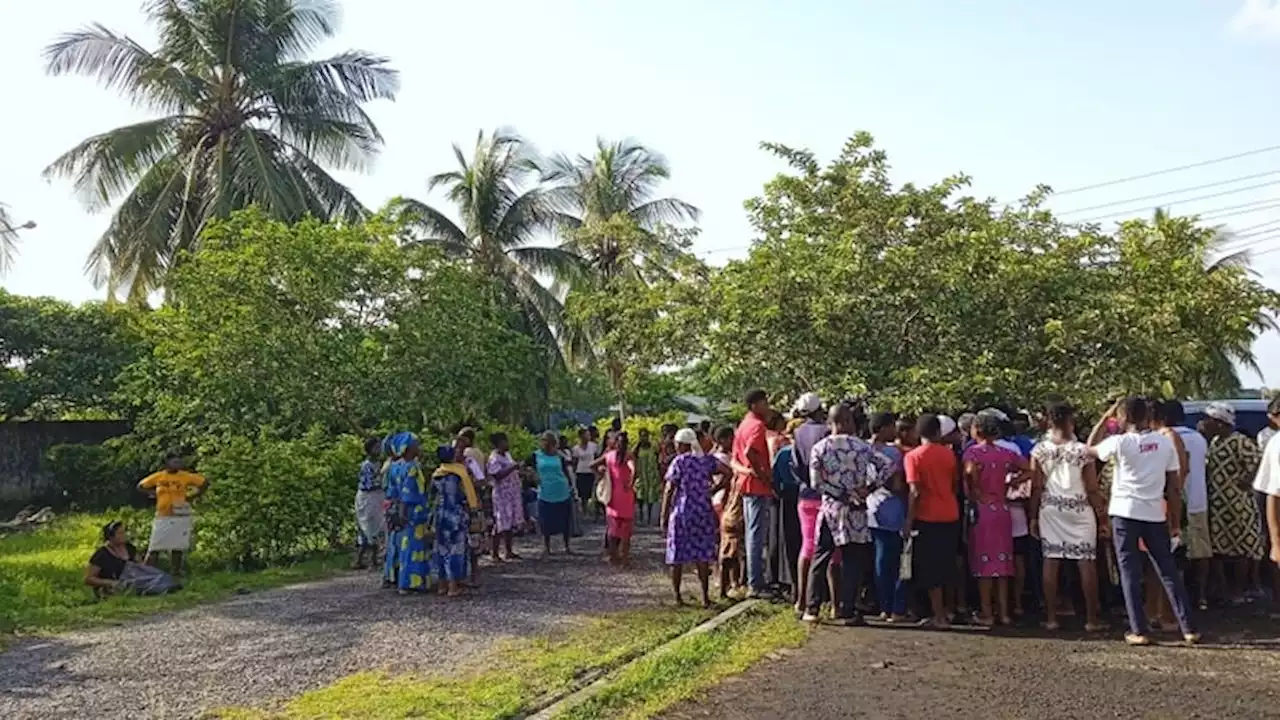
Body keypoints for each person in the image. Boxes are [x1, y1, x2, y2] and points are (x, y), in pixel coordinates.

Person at [1088, 397, 1198, 645]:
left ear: (1124, 417)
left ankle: (1139, 629)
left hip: (1125, 512)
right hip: (1155, 514)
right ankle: (1189, 628)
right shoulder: (1164, 443)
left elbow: (1090, 447)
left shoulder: (1118, 442)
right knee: (1167, 570)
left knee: (1129, 572)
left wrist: (1106, 418)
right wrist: (1175, 522)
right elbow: (1173, 487)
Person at [804, 402, 890, 625]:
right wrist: (869, 488)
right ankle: (848, 610)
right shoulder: (862, 447)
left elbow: (816, 482)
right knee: (853, 560)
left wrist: (839, 493)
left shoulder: (820, 448)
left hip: (831, 509)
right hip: (856, 511)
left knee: (821, 557)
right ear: (846, 422)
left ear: (830, 422)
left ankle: (811, 608)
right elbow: (887, 466)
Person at [1029, 403, 1105, 631]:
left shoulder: (1039, 450)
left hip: (1051, 508)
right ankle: (1091, 620)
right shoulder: (1082, 451)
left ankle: (1052, 618)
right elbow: (1092, 488)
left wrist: (1033, 517)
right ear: (1070, 422)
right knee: (1086, 562)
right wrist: (1101, 518)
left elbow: (1036, 487)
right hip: (1080, 509)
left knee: (1051, 560)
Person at [964, 412, 1026, 626]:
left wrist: (975, 489)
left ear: (977, 430)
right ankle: (1005, 612)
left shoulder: (972, 452)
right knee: (1003, 563)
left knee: (984, 565)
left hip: (983, 510)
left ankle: (986, 612)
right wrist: (1010, 483)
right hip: (1002, 508)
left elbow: (969, 472)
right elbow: (1029, 470)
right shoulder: (1005, 453)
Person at [662, 428, 735, 607]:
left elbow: (669, 489)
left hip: (682, 512)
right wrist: (714, 490)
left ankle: (678, 596)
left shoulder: (678, 462)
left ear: (682, 444)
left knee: (677, 555)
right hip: (703, 511)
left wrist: (664, 514)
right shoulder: (707, 461)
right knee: (702, 554)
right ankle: (705, 596)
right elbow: (729, 473)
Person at [1201, 402, 1265, 604]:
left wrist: (1246, 481)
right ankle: (1224, 589)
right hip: (1219, 505)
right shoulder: (1215, 442)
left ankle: (1239, 590)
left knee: (1241, 549)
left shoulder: (1240, 441)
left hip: (1238, 505)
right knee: (1219, 549)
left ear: (1220, 423)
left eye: (1210, 420)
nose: (1205, 424)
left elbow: (1258, 462)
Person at [904, 414, 961, 629]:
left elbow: (914, 491)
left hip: (927, 516)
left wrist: (909, 520)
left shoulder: (913, 457)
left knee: (930, 568)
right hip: (950, 512)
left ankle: (939, 616)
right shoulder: (949, 455)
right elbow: (954, 484)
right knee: (947, 564)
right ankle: (949, 610)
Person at [1161, 400, 1212, 610]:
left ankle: (1174, 598)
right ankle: (1201, 596)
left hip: (1175, 503)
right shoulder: (1198, 438)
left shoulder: (1166, 438)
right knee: (1200, 551)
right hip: (1198, 501)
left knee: (1174, 551)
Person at [790, 392, 831, 613]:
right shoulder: (826, 432)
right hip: (826, 495)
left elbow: (795, 465)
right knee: (832, 550)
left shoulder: (797, 433)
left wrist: (806, 482)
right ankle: (834, 603)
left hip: (805, 495)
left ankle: (801, 599)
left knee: (807, 547)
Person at [734, 389, 776, 598]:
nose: (767, 406)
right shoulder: (757, 426)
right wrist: (762, 475)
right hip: (757, 487)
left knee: (753, 534)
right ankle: (756, 583)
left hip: (746, 485)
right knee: (756, 535)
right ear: (754, 405)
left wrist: (747, 471)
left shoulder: (743, 425)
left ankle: (755, 580)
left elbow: (735, 459)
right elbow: (750, 452)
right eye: (764, 402)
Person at [137, 452, 207, 576]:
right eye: (174, 462)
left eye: (179, 462)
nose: (178, 464)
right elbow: (141, 486)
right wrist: (152, 493)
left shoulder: (185, 476)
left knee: (177, 546)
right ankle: (147, 574)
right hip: (162, 515)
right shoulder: (159, 476)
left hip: (180, 514)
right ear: (167, 463)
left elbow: (204, 482)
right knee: (155, 546)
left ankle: (176, 572)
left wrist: (193, 496)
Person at [868, 411, 909, 622]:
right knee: (899, 563)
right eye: (892, 426)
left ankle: (883, 606)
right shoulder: (893, 454)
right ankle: (897, 607)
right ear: (883, 428)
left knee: (879, 561)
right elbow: (898, 484)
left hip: (870, 511)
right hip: (893, 512)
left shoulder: (862, 449)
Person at [384, 433, 432, 594]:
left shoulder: (395, 466)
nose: (418, 447)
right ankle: (411, 582)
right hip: (412, 513)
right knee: (412, 547)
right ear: (408, 448)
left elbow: (390, 492)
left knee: (398, 545)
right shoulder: (412, 467)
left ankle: (394, 578)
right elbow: (408, 492)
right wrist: (403, 513)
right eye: (416, 445)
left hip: (397, 510)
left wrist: (392, 513)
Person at [428, 445, 477, 597]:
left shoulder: (436, 474)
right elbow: (467, 493)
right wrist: (473, 509)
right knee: (457, 549)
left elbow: (431, 495)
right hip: (456, 514)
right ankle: (453, 585)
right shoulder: (459, 473)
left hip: (440, 514)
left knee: (441, 549)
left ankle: (442, 584)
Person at [85, 521, 178, 598]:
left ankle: (164, 586)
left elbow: (141, 566)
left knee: (160, 576)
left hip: (135, 577)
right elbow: (89, 579)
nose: (124, 535)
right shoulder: (102, 554)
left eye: (124, 532)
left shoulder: (129, 548)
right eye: (120, 533)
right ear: (111, 536)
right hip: (117, 583)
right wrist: (110, 582)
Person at [594, 431, 637, 566]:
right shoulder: (628, 456)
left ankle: (613, 557)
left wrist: (600, 473)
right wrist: (631, 482)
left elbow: (592, 465)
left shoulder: (609, 456)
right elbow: (634, 469)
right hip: (626, 496)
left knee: (613, 530)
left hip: (612, 497)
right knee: (626, 532)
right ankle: (624, 559)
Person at [532, 431, 575, 555]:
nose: (546, 445)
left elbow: (566, 470)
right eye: (544, 442)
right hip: (545, 491)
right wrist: (533, 476)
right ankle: (547, 546)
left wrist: (571, 486)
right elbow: (525, 467)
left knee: (565, 519)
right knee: (545, 520)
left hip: (561, 489)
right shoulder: (536, 456)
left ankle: (567, 546)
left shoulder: (559, 456)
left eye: (549, 442)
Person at [715, 425, 746, 598]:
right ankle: (735, 583)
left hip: (726, 511)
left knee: (725, 550)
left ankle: (725, 585)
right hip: (732, 511)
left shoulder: (716, 458)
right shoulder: (734, 471)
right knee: (734, 552)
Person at [487, 432, 525, 561]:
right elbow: (496, 475)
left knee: (510, 522)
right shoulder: (494, 458)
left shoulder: (507, 455)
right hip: (501, 494)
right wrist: (512, 467)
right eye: (505, 441)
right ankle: (495, 553)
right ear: (499, 443)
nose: (507, 444)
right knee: (500, 522)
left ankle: (509, 551)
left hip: (512, 493)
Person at [353, 437, 385, 570]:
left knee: (376, 526)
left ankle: (369, 559)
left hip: (376, 497)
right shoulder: (367, 466)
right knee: (368, 527)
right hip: (368, 498)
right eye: (376, 447)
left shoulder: (378, 463)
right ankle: (365, 560)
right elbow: (368, 484)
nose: (378, 450)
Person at [634, 428, 663, 526]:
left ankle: (650, 516)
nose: (644, 438)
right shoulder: (637, 449)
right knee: (640, 496)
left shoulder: (653, 448)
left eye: (645, 436)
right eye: (642, 436)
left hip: (651, 475)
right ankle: (641, 515)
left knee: (651, 497)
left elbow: (658, 460)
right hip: (641, 475)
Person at [572, 428, 600, 520]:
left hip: (591, 471)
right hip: (580, 471)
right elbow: (575, 461)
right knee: (582, 493)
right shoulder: (576, 449)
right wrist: (574, 472)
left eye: (588, 435)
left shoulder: (593, 446)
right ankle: (584, 510)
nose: (588, 437)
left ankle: (593, 511)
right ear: (581, 436)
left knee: (591, 491)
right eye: (586, 435)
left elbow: (596, 458)